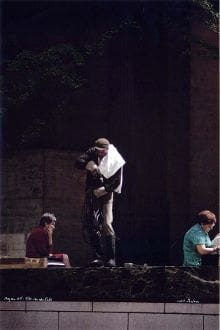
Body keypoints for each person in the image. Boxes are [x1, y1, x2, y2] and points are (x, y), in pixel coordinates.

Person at [75, 137, 125, 267]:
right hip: (92, 193)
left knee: (107, 222)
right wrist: (90, 165)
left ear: (107, 149)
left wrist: (102, 190)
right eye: (98, 151)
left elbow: (116, 183)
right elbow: (78, 162)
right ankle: (97, 256)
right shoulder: (93, 152)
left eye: (102, 151)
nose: (100, 154)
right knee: (92, 223)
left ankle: (110, 258)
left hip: (106, 193)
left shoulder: (116, 160)